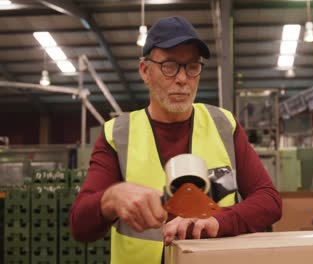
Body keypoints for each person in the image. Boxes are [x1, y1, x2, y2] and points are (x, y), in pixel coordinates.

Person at [69, 16, 282, 264]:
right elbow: (79, 225)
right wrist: (110, 199)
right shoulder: (118, 135)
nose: (182, 79)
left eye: (192, 66)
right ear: (145, 71)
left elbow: (269, 200)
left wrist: (218, 220)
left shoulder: (223, 125)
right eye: (169, 66)